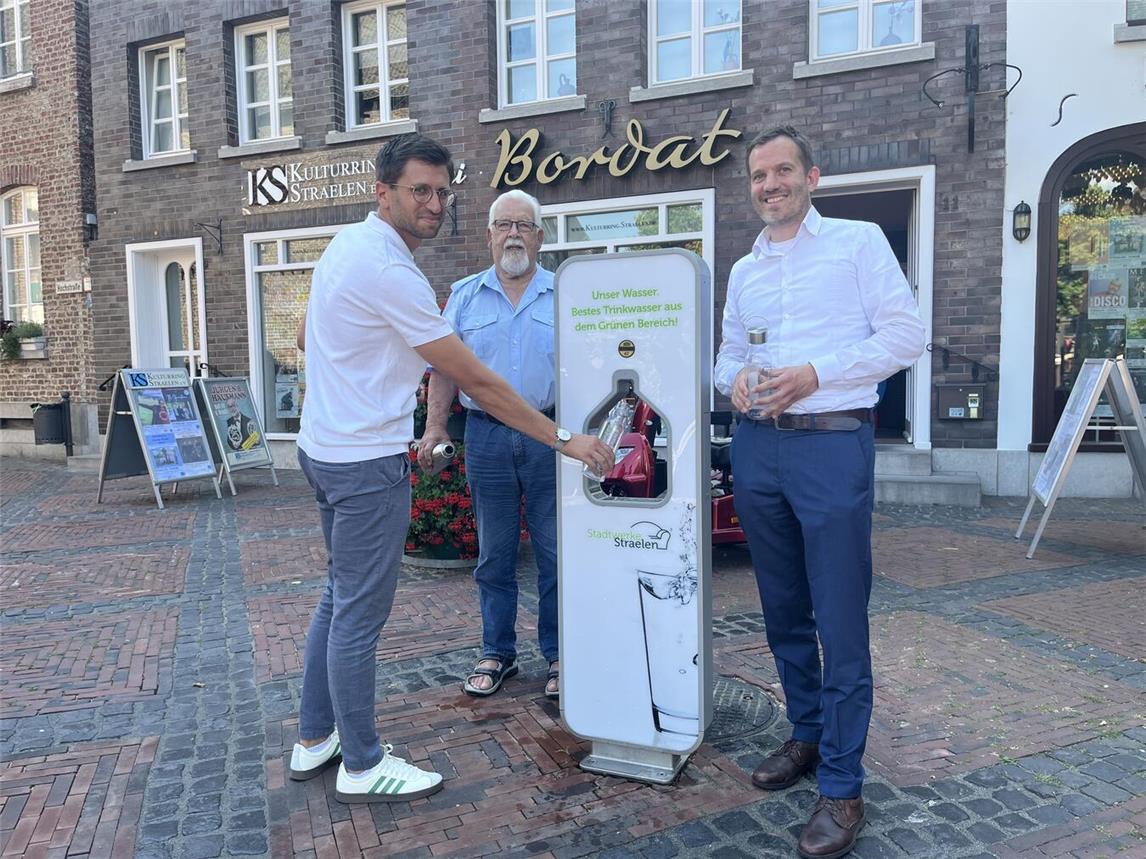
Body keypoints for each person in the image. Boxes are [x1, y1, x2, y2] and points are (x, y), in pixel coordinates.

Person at [290, 134, 613, 805]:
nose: (435, 203)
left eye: (442, 191)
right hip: (364, 462)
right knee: (357, 612)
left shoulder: (346, 248)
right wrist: (566, 439)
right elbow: (475, 380)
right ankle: (362, 760)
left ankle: (315, 735)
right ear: (383, 193)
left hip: (324, 449)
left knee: (336, 595)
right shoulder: (391, 270)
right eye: (420, 190)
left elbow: (302, 336)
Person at [714, 126, 924, 859]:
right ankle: (805, 733)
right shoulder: (743, 270)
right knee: (782, 610)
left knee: (839, 618)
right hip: (759, 448)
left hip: (834, 441)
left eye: (781, 172)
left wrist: (816, 373)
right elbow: (727, 357)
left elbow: (907, 336)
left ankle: (842, 783)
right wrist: (735, 381)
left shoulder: (859, 243)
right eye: (757, 177)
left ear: (813, 176)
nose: (768, 185)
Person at [417, 189, 560, 700]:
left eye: (524, 225)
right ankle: (497, 652)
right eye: (504, 225)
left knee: (554, 553)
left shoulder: (566, 292)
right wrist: (435, 428)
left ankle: (559, 654)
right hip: (486, 438)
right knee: (494, 554)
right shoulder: (464, 296)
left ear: (540, 236)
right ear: (490, 235)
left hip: (549, 436)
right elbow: (443, 370)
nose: (514, 234)